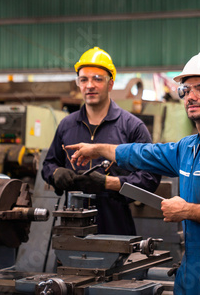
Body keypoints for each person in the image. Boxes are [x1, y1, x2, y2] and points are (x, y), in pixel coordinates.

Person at [66, 52, 200, 294]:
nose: (191, 96)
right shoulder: (189, 146)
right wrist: (99, 149)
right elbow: (145, 153)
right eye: (186, 89)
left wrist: (188, 211)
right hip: (192, 273)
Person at [41, 46, 161, 235]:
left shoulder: (132, 127)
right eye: (84, 79)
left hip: (116, 225)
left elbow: (149, 178)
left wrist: (109, 183)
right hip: (71, 227)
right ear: (78, 84)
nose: (90, 85)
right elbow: (49, 163)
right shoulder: (66, 125)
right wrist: (55, 173)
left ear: (110, 84)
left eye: (98, 79)